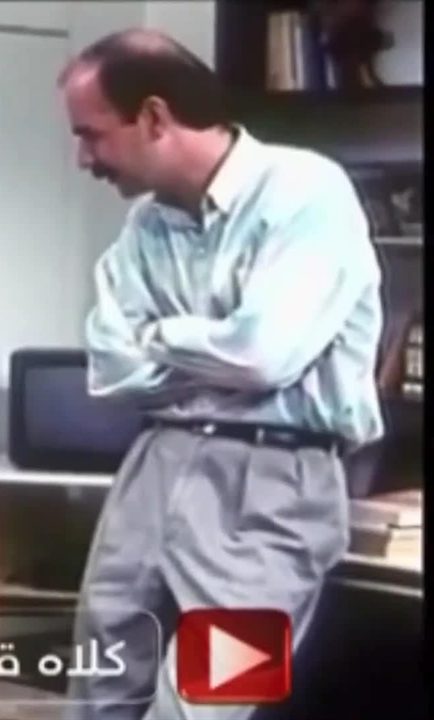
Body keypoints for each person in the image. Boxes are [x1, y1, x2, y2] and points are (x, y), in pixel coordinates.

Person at [57, 29, 383, 720]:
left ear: (154, 116)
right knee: (98, 690)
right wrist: (219, 348)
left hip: (275, 482)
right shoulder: (145, 226)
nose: (82, 158)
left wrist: (162, 335)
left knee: (203, 705)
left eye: (91, 135)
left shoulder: (306, 193)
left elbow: (264, 355)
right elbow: (112, 367)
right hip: (155, 465)